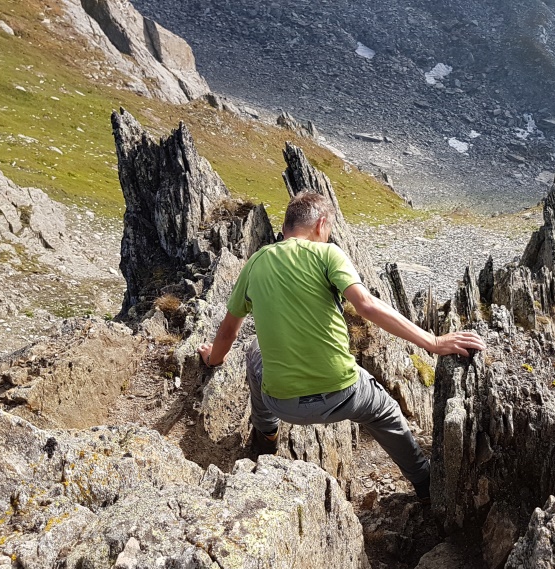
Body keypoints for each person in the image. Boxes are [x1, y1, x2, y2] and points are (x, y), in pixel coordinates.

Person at [197, 191, 485, 501]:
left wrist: (213, 360)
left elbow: (227, 332)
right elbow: (366, 305)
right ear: (321, 225)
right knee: (385, 412)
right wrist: (434, 341)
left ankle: (267, 434)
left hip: (283, 404)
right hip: (344, 395)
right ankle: (424, 483)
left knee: (254, 350)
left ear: (285, 229)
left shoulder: (256, 263)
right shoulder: (328, 254)